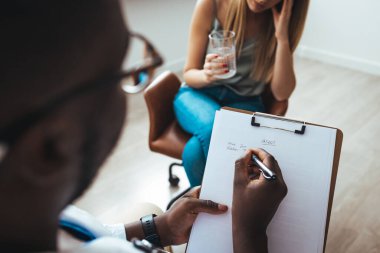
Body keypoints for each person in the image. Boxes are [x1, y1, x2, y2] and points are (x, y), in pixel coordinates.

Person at [0, 0, 287, 252]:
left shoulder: (54, 218)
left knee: (159, 194)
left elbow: (99, 232)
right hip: (205, 98)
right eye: (122, 73)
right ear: (53, 147)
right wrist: (249, 232)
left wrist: (161, 229)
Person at [173, 0, 310, 186]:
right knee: (213, 126)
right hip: (197, 94)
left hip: (245, 101)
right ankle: (228, 203)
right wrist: (207, 75)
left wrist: (282, 38)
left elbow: (281, 93)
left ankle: (208, 209)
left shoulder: (279, 22)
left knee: (193, 153)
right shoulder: (211, 4)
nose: (262, 1)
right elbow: (189, 73)